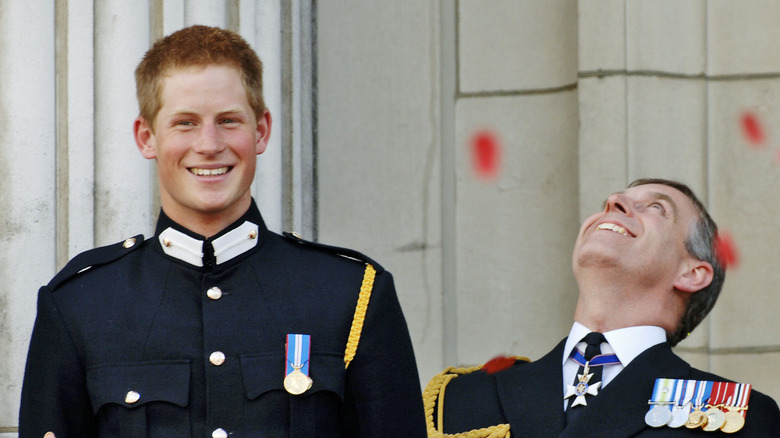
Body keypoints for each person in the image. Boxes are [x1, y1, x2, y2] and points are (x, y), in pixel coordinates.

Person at [19, 25, 426, 438]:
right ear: (147, 137)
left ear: (261, 131)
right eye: (185, 123)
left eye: (229, 120)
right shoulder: (79, 305)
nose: (209, 144)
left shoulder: (350, 294)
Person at [426, 178, 780, 437]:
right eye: (615, 200)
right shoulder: (461, 396)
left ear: (691, 273)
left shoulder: (739, 419)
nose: (613, 201)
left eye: (657, 208)